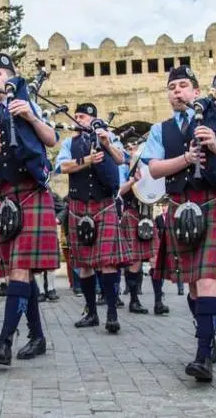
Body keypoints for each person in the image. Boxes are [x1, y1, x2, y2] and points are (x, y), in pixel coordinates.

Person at [141, 65, 216, 383]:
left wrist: (213, 143)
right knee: (195, 284)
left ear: (195, 92)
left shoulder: (212, 120)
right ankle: (207, 335)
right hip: (180, 206)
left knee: (208, 279)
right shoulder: (161, 130)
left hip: (211, 203)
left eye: (184, 86)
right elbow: (155, 170)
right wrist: (186, 160)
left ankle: (202, 357)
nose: (178, 91)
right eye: (173, 87)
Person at [0, 53, 60, 365]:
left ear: (12, 77)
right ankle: (37, 336)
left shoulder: (28, 104)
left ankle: (4, 342)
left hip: (31, 192)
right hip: (3, 198)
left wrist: (32, 118)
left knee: (20, 269)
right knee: (21, 271)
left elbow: (52, 138)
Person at [55, 102, 130, 333]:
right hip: (78, 206)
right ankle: (91, 312)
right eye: (77, 116)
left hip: (104, 204)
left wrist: (107, 143)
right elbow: (61, 167)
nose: (79, 120)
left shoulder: (109, 138)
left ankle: (112, 314)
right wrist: (87, 161)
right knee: (84, 263)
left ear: (94, 119)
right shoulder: (70, 143)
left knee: (107, 262)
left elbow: (122, 159)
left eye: (84, 117)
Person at [117, 135, 166, 315]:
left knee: (156, 259)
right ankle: (134, 301)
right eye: (129, 148)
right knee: (135, 260)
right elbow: (118, 192)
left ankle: (158, 301)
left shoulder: (149, 167)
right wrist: (132, 181)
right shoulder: (123, 168)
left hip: (148, 215)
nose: (133, 151)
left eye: (135, 148)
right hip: (131, 214)